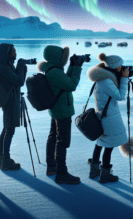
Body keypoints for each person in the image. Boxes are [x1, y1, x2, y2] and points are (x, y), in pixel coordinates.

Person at [40, 45, 84, 184]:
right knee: (62, 141)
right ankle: (61, 173)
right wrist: (77, 68)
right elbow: (71, 85)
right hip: (62, 111)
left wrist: (72, 65)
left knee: (53, 137)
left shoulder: (53, 70)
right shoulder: (55, 72)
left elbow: (65, 82)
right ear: (57, 57)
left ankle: (51, 167)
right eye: (62, 57)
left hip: (56, 110)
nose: (63, 59)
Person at [87, 53, 129, 183]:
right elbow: (120, 96)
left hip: (104, 115)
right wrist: (124, 79)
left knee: (100, 143)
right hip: (109, 117)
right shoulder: (106, 81)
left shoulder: (103, 77)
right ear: (115, 67)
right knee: (108, 145)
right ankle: (105, 174)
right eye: (120, 65)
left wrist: (121, 78)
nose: (122, 67)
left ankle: (94, 170)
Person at [0, 43, 28, 171]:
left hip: (12, 101)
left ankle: (2, 158)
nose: (15, 53)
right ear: (6, 53)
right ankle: (5, 160)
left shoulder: (7, 66)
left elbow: (19, 82)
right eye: (13, 51)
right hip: (10, 103)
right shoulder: (3, 68)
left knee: (7, 129)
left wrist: (22, 68)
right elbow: (18, 82)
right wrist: (21, 65)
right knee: (9, 130)